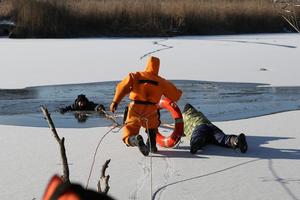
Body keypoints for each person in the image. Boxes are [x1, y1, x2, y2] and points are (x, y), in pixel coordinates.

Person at [110, 56, 182, 156]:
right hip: (151, 109)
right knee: (152, 128)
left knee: (129, 132)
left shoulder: (136, 76)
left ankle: (135, 139)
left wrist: (115, 102)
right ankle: (152, 145)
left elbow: (122, 87)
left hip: (135, 107)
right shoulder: (161, 81)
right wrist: (179, 92)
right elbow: (174, 95)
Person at [182, 103, 248, 154]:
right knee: (222, 138)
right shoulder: (199, 113)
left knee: (197, 135)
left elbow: (180, 132)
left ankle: (195, 144)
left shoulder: (184, 117)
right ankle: (235, 141)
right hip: (210, 127)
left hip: (199, 127)